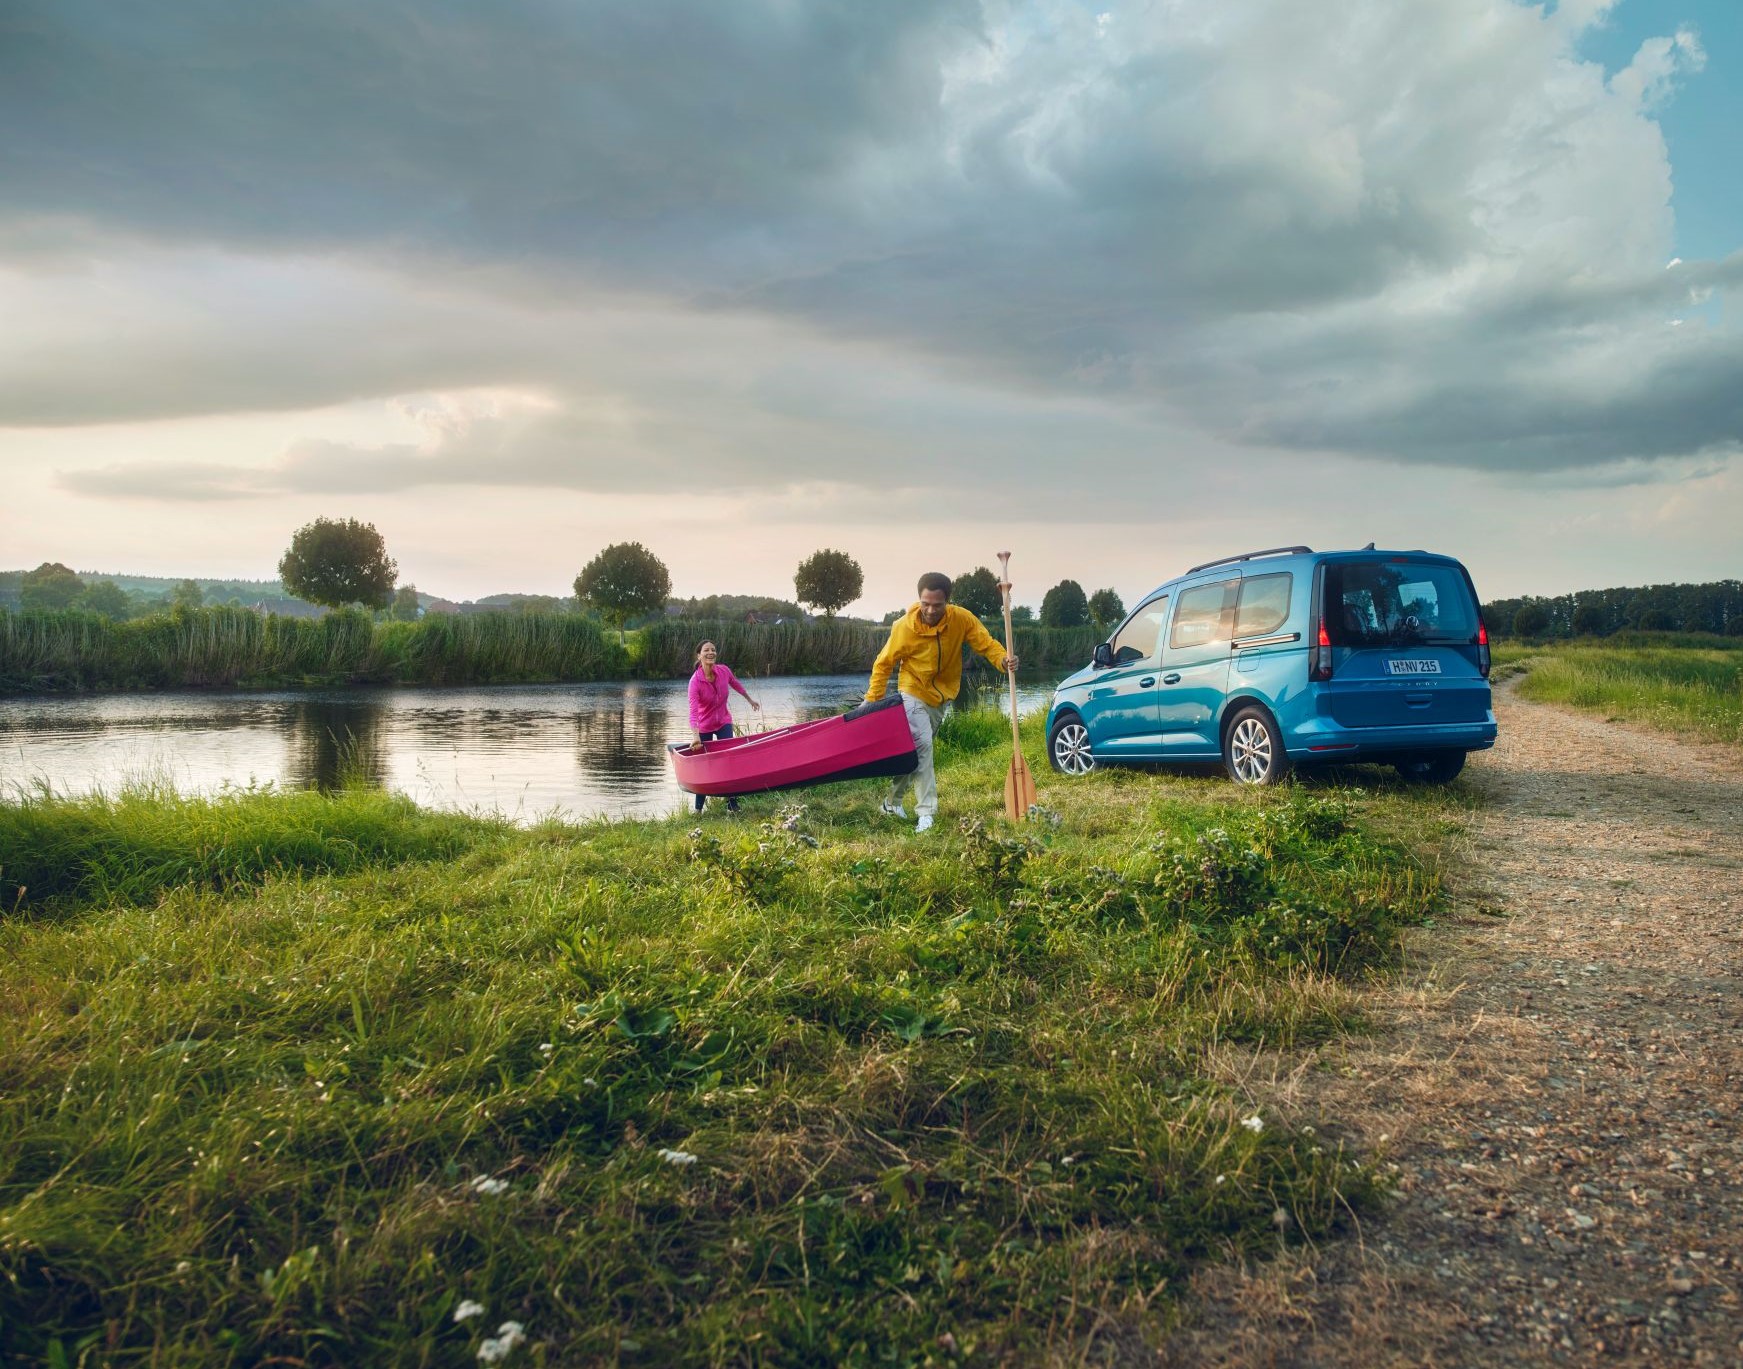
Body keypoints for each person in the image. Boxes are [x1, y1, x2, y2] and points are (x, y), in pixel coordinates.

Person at [865, 571, 1016, 833]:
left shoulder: (961, 619)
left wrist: (1003, 660)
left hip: (943, 696)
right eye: (925, 603)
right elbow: (883, 663)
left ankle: (891, 803)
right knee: (923, 748)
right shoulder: (903, 627)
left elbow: (986, 644)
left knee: (914, 753)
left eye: (937, 604)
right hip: (912, 690)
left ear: (948, 601)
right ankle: (926, 813)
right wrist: (871, 700)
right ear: (919, 598)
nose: (930, 610)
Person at [687, 640, 761, 813]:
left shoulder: (724, 671)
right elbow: (693, 712)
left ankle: (732, 804)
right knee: (704, 765)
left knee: (730, 761)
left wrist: (750, 699)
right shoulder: (695, 682)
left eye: (713, 649)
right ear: (699, 655)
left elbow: (735, 683)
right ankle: (698, 809)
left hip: (723, 722)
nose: (711, 652)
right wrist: (696, 736)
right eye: (706, 650)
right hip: (704, 726)